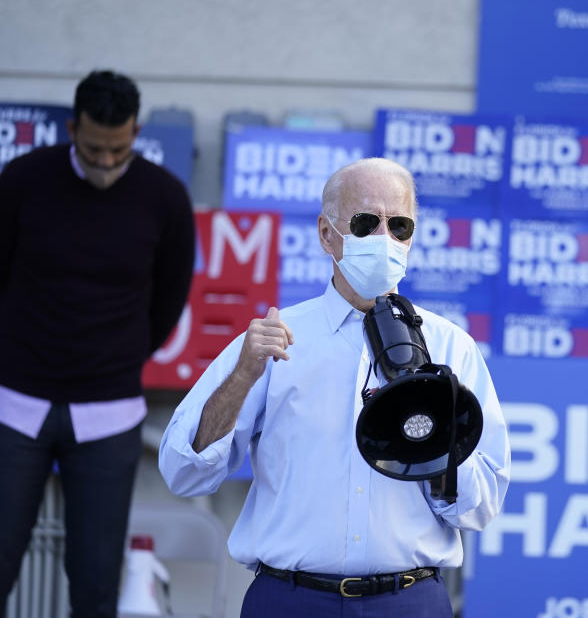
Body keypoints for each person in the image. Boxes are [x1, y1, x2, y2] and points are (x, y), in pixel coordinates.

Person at [158, 157, 510, 617]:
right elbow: (183, 472)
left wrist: (431, 436)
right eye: (366, 223)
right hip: (289, 599)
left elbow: (481, 508)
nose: (384, 239)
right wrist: (243, 375)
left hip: (410, 601)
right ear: (328, 234)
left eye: (399, 225)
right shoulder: (275, 337)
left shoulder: (449, 347)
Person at [0, 70, 196, 616]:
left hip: (110, 412)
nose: (107, 162)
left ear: (135, 131)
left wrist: (121, 355)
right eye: (93, 150)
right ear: (70, 130)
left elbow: (169, 300)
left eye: (119, 149)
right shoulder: (21, 179)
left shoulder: (165, 197)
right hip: (13, 405)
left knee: (95, 578)